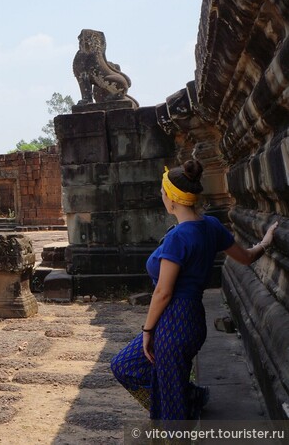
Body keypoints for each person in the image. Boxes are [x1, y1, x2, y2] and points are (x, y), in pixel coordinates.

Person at [110, 159, 278, 420]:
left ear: (172, 200)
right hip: (189, 319)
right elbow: (245, 257)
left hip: (174, 323)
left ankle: (181, 408)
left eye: (163, 192)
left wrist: (147, 330)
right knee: (124, 365)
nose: (161, 196)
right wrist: (265, 242)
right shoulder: (210, 225)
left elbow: (163, 292)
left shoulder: (179, 237)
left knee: (173, 412)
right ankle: (190, 397)